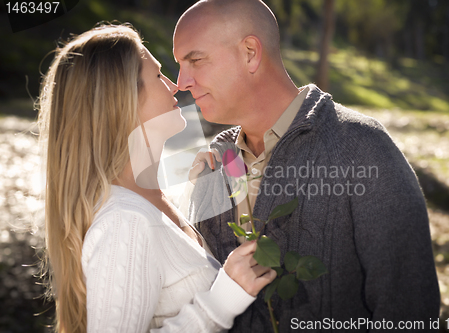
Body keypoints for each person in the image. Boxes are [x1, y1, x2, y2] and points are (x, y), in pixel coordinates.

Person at [174, 0, 441, 332]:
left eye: (195, 60)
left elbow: (409, 309)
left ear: (250, 53)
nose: (181, 81)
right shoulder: (214, 164)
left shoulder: (361, 147)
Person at [37, 23, 276, 333]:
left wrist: (199, 195)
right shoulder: (125, 221)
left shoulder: (148, 200)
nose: (175, 86)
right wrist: (220, 303)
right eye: (158, 76)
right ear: (123, 100)